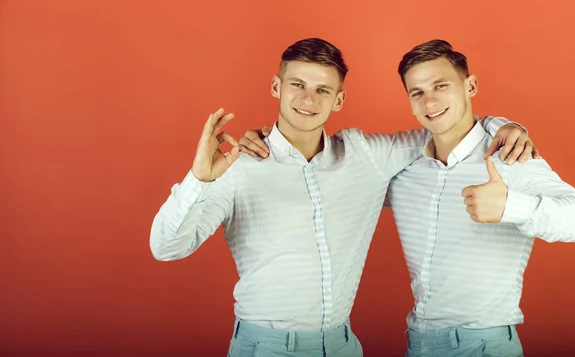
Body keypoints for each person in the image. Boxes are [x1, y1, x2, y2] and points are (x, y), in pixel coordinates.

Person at [150, 38, 534, 357]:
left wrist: (506, 125)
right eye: (297, 84)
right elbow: (167, 248)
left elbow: (446, 126)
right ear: (276, 87)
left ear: (338, 100)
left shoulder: (365, 156)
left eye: (323, 90)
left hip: (342, 346)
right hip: (264, 346)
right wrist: (198, 179)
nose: (308, 99)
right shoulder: (239, 164)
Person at [386, 39, 575, 356]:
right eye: (417, 92)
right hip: (418, 342)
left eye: (440, 85)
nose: (429, 101)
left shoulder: (507, 158)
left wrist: (512, 207)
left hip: (483, 345)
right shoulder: (403, 167)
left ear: (469, 85)